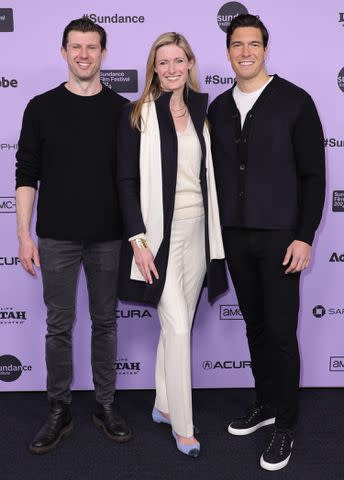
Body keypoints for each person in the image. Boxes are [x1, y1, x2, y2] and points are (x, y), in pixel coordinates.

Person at [208, 14, 325, 471]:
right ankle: (267, 403)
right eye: (237, 45)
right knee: (255, 326)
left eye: (253, 44)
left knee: (279, 332)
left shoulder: (295, 101)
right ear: (228, 51)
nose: (245, 52)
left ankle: (286, 426)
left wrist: (304, 235)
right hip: (235, 238)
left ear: (265, 49)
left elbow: (313, 176)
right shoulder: (218, 107)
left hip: (281, 238)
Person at [15, 17, 131, 454]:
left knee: (105, 324)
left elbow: (133, 181)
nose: (84, 54)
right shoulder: (40, 107)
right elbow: (26, 175)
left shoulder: (123, 111)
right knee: (58, 327)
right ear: (63, 52)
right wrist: (24, 236)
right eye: (76, 47)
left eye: (92, 47)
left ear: (103, 53)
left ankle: (105, 405)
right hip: (56, 238)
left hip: (108, 238)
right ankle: (58, 409)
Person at [117, 32, 228, 457]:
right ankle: (184, 426)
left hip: (199, 230)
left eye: (178, 60)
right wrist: (138, 242)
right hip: (157, 236)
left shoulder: (202, 111)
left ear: (190, 63)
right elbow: (126, 182)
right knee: (178, 327)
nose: (170, 69)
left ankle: (163, 405)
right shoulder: (137, 115)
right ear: (153, 67)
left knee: (175, 328)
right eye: (162, 62)